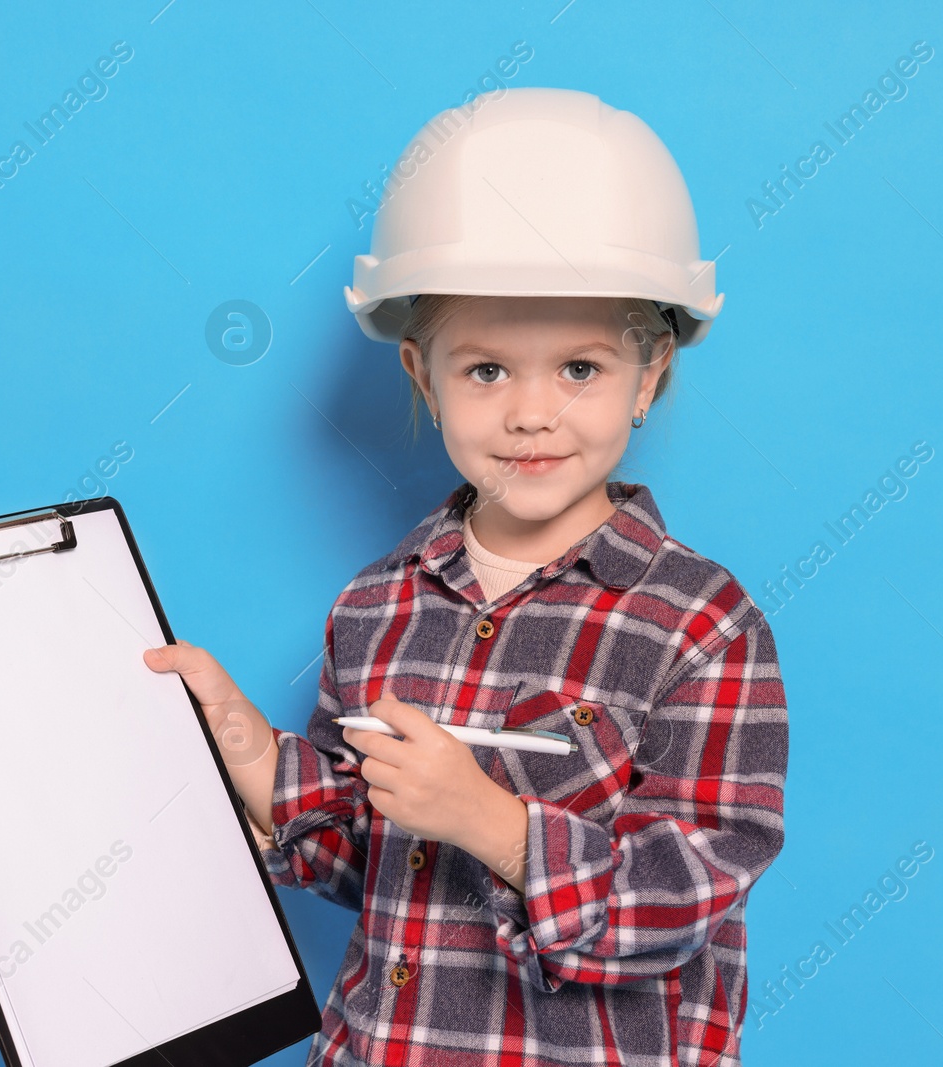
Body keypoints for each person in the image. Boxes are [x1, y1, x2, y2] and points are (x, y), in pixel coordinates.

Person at [143, 87, 788, 1067]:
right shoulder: (376, 604)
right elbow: (363, 856)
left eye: (579, 368)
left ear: (649, 374)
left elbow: (685, 892)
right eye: (486, 369)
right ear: (420, 371)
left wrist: (491, 820)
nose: (531, 412)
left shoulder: (698, 622)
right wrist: (254, 758)